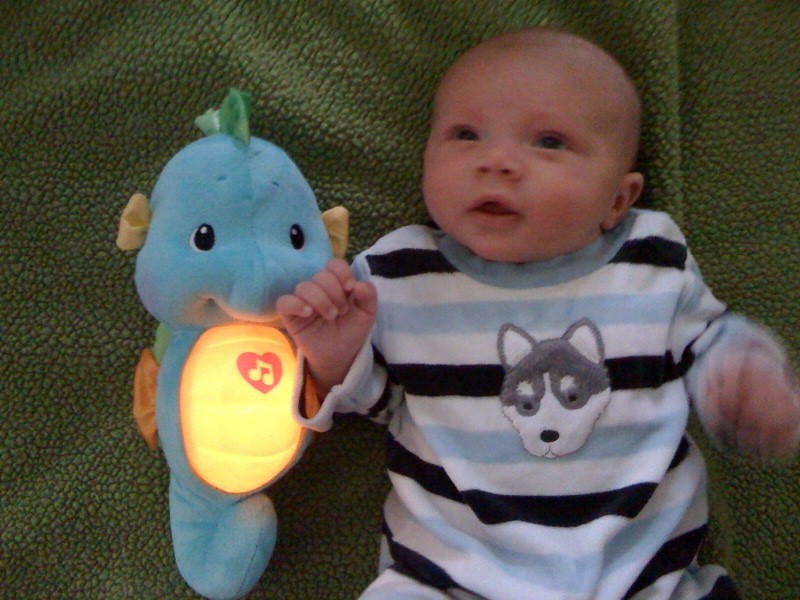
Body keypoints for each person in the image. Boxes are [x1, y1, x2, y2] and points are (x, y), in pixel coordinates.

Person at [277, 27, 800, 599]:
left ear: (617, 200)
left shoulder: (649, 261)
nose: (497, 161)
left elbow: (712, 340)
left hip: (643, 577)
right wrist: (334, 354)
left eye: (549, 142)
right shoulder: (396, 274)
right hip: (451, 577)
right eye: (466, 134)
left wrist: (745, 379)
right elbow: (373, 401)